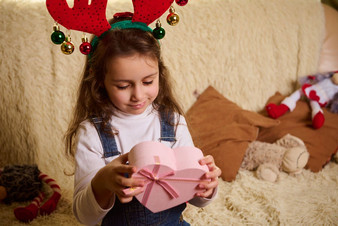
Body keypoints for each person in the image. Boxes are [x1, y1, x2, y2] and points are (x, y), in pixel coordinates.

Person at [64, 16, 221, 226]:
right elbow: (85, 217)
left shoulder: (173, 123)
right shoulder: (92, 132)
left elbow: (196, 199)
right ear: (100, 80)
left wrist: (206, 185)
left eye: (148, 81)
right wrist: (103, 181)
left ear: (160, 74)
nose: (138, 95)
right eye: (123, 86)